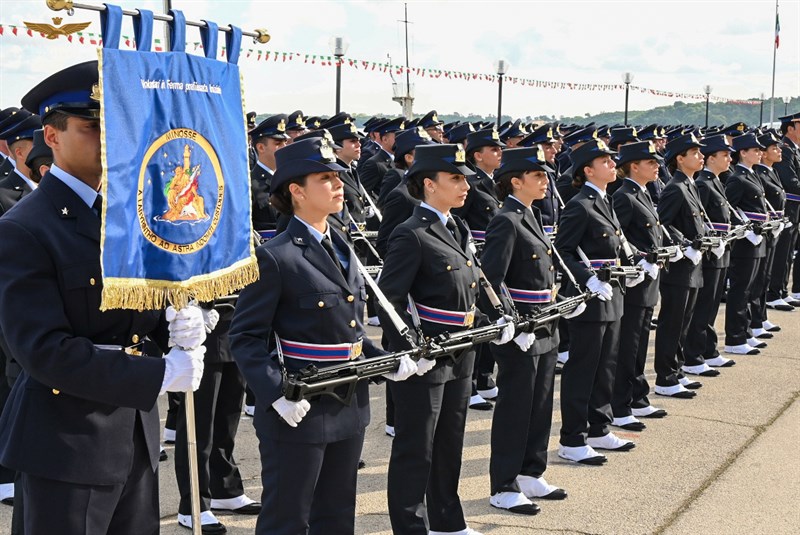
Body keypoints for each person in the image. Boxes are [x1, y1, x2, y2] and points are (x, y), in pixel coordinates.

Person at [0, 60, 205, 535]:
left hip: (134, 432)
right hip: (67, 441)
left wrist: (176, 319)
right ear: (52, 136)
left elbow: (130, 313)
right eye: (91, 127)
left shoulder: (127, 216)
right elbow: (42, 350)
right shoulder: (24, 229)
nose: (108, 138)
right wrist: (159, 372)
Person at [229, 137, 419, 535]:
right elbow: (245, 337)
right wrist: (276, 394)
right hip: (299, 407)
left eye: (337, 176)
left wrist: (384, 361)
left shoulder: (342, 245)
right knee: (287, 519)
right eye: (325, 178)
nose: (337, 184)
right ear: (297, 191)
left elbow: (347, 331)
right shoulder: (275, 256)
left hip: (348, 405)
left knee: (336, 516)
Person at [378, 143, 513, 535]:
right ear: (428, 184)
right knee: (416, 450)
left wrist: (493, 320)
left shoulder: (456, 227)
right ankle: (410, 527)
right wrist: (409, 348)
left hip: (461, 352)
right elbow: (389, 301)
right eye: (455, 178)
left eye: (465, 178)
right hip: (428, 358)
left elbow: (466, 291)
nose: (465, 185)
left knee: (449, 443)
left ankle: (447, 522)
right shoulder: (411, 234)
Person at [481, 147, 568, 516]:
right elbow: (490, 281)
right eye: (538, 176)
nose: (545, 181)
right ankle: (503, 485)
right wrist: (511, 322)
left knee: (541, 403)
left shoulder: (530, 215)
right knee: (516, 408)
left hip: (544, 324)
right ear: (515, 181)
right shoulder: (506, 220)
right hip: (522, 330)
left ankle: (531, 472)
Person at [554, 139, 641, 465]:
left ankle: (599, 428)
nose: (612, 164)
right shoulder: (580, 205)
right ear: (588, 170)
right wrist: (586, 278)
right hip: (590, 298)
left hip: (612, 295)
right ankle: (572, 438)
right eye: (605, 161)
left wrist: (636, 263)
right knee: (583, 369)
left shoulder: (605, 201)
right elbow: (562, 251)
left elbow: (616, 246)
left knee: (606, 367)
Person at [611, 141, 674, 429]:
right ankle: (620, 405)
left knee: (639, 344)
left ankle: (637, 397)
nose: (657, 166)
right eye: (650, 162)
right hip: (635, 281)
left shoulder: (643, 193)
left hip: (648, 279)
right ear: (633, 166)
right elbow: (618, 239)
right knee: (628, 345)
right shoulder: (624, 196)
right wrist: (638, 259)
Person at [654, 133, 711, 394]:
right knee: (672, 322)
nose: (701, 157)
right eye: (695, 153)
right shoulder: (675, 188)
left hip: (692, 264)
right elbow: (662, 224)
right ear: (679, 158)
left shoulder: (690, 184)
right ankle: (665, 377)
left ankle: (676, 370)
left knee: (684, 321)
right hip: (679, 266)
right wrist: (684, 244)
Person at [453, 128, 505, 409]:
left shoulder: (495, 181)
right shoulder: (470, 183)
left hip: (495, 256)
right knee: (478, 319)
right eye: (493, 149)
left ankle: (484, 378)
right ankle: (471, 384)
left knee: (493, 318)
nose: (499, 153)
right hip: (478, 259)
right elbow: (457, 220)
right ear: (477, 155)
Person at [685, 135, 741, 365]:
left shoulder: (715, 181)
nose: (730, 159)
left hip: (721, 249)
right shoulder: (703, 184)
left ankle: (708, 350)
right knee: (703, 306)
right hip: (709, 252)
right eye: (724, 155)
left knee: (712, 304)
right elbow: (698, 221)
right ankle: (695, 355)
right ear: (711, 158)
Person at [724, 134, 769, 354]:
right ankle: (735, 338)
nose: (760, 153)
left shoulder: (752, 174)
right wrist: (745, 230)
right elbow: (728, 210)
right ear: (742, 153)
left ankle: (746, 332)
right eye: (755, 150)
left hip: (757, 238)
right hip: (745, 241)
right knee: (740, 290)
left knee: (751, 289)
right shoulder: (737, 178)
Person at [752, 132, 787, 336]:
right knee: (759, 278)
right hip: (762, 232)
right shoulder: (760, 174)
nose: (779, 151)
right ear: (764, 154)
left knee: (765, 276)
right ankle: (755, 320)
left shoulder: (771, 172)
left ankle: (761, 316)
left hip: (774, 229)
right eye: (774, 148)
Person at [767, 113, 800, 309]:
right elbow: (790, 181)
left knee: (788, 252)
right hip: (787, 207)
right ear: (790, 128)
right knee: (781, 251)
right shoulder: (785, 149)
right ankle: (773, 293)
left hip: (795, 207)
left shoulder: (793, 149)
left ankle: (781, 291)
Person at [250, 114, 290, 234]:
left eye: (285, 142)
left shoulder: (290, 179)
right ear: (261, 147)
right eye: (278, 143)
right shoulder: (250, 185)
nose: (284, 147)